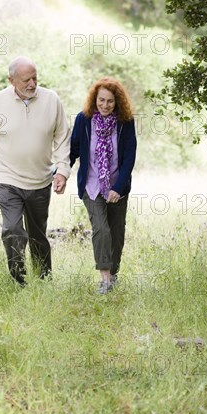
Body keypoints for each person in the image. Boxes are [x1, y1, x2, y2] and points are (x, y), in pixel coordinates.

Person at [0, 57, 70, 285]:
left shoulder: (51, 100)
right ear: (12, 80)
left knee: (38, 235)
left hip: (40, 180)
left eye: (35, 78)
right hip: (7, 179)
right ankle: (20, 281)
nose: (32, 84)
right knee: (14, 229)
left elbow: (62, 137)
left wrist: (63, 170)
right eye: (26, 80)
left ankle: (44, 280)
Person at [70, 77, 137, 294]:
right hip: (91, 186)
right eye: (101, 100)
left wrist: (118, 187)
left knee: (117, 234)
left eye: (110, 101)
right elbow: (74, 150)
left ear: (117, 102)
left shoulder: (125, 122)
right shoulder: (83, 120)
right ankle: (105, 279)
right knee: (101, 229)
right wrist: (61, 172)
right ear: (94, 99)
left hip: (117, 186)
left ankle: (114, 273)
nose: (105, 105)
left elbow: (129, 157)